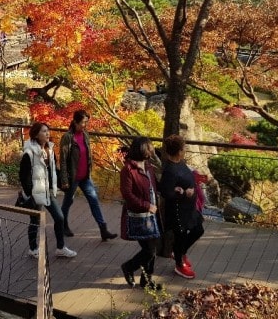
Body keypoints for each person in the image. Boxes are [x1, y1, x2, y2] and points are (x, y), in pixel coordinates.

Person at [19, 122, 77, 259]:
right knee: (35, 220)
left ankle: (60, 248)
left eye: (47, 130)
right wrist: (30, 194)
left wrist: (63, 183)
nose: (47, 133)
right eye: (44, 131)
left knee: (59, 217)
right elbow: (23, 176)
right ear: (36, 134)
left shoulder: (50, 150)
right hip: (35, 192)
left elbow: (53, 170)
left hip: (48, 191)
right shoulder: (29, 153)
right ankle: (33, 249)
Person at [59, 110, 117, 241]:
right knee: (68, 202)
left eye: (86, 122)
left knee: (94, 200)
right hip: (73, 177)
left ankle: (103, 229)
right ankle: (63, 225)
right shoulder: (67, 137)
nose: (85, 125)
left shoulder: (85, 134)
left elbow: (87, 155)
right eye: (83, 122)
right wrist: (64, 180)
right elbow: (63, 160)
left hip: (85, 177)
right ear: (75, 122)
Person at [159, 134, 205, 279]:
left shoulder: (180, 162)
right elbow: (166, 192)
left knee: (198, 229)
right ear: (179, 151)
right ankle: (179, 264)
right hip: (178, 210)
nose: (185, 150)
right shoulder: (170, 170)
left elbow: (186, 177)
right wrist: (184, 193)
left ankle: (180, 252)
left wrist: (197, 178)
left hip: (189, 208)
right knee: (180, 236)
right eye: (183, 148)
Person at [120, 136, 162, 290]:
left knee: (151, 249)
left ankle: (146, 281)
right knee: (150, 250)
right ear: (143, 149)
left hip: (151, 215)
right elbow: (127, 195)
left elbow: (154, 186)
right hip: (138, 216)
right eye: (150, 148)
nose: (152, 150)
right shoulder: (128, 170)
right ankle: (129, 267)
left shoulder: (148, 166)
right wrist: (146, 206)